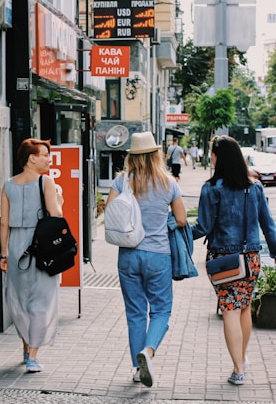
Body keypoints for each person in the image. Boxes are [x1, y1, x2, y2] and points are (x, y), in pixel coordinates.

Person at [190, 135, 276, 386]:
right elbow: (268, 226)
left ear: (218, 156)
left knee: (230, 309)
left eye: (212, 153)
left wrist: (179, 232)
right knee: (245, 306)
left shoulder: (211, 188)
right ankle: (243, 358)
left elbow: (203, 227)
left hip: (224, 260)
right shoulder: (255, 187)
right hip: (251, 259)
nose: (211, 157)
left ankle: (238, 369)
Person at [105, 132, 186, 387]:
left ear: (132, 155)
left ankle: (138, 369)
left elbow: (110, 212)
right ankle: (148, 352)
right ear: (156, 154)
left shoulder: (121, 182)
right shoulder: (168, 183)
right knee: (161, 310)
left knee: (135, 313)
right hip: (158, 255)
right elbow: (182, 219)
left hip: (128, 255)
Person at [0, 138, 64, 373]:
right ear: (31, 158)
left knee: (20, 299)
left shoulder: (8, 185)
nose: (49, 159)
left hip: (16, 246)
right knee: (41, 300)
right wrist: (60, 199)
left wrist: (4, 254)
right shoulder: (46, 182)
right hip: (41, 246)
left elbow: (4, 223)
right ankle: (33, 355)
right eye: (45, 154)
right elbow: (55, 215)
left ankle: (27, 346)